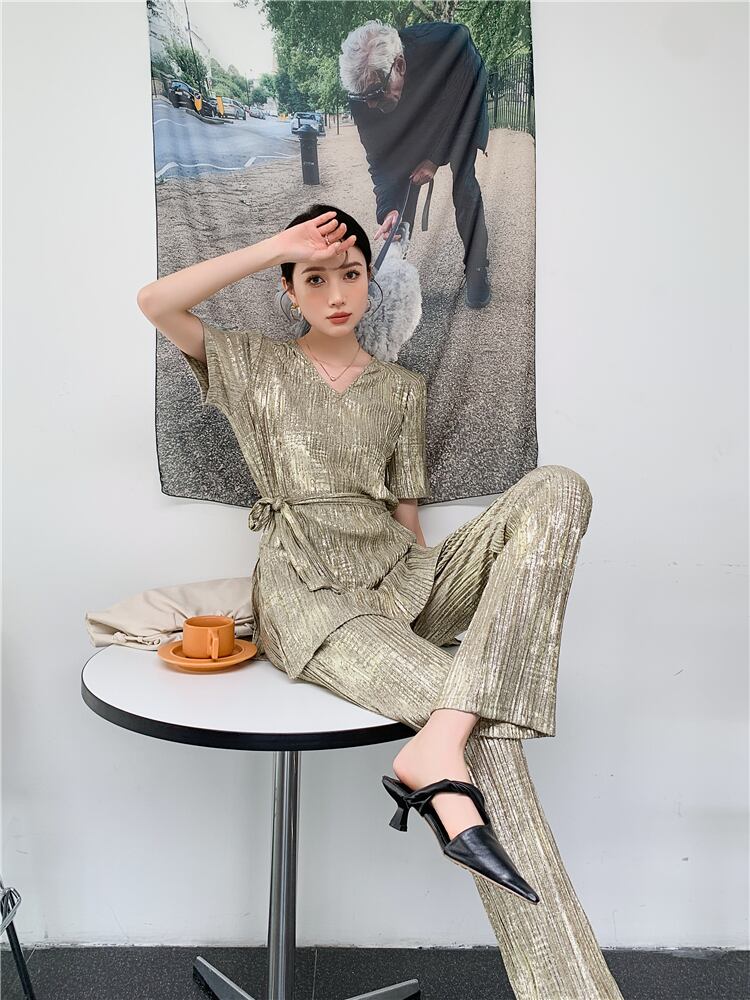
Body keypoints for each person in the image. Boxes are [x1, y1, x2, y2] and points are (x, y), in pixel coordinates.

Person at [136, 205, 625, 1000]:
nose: (336, 294)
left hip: (401, 577)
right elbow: (156, 302)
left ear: (371, 281)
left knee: (560, 489)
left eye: (351, 274)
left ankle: (439, 743)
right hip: (312, 593)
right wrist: (278, 244)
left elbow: (406, 516)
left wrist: (435, 598)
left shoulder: (402, 389)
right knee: (487, 735)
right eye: (314, 278)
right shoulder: (252, 365)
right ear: (289, 290)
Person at [340, 19, 492, 308]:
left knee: (464, 184)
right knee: (400, 193)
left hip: (461, 106)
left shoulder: (448, 43)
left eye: (375, 94)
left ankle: (476, 267)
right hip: (414, 111)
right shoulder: (365, 93)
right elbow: (380, 161)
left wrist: (435, 158)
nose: (370, 105)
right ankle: (394, 270)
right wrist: (388, 207)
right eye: (363, 98)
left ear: (399, 65)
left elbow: (462, 106)